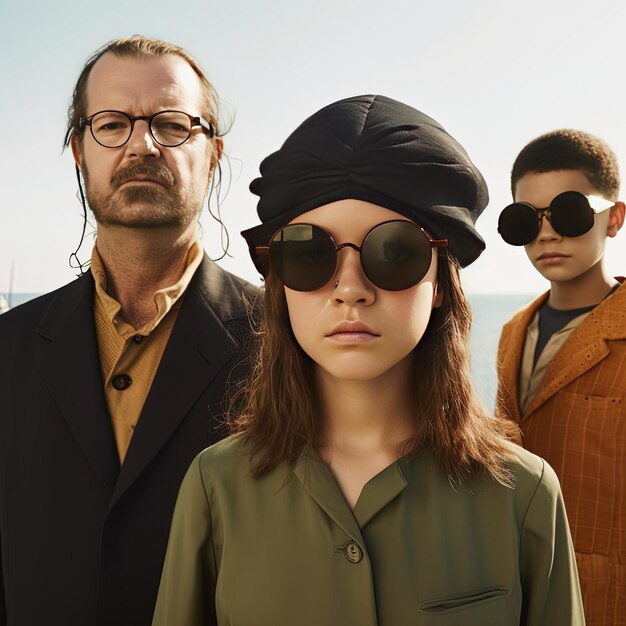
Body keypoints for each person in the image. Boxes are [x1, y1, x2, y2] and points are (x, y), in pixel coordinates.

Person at [152, 95, 584, 626]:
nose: (350, 289)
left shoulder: (523, 493)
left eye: (394, 251)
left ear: (441, 284)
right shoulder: (215, 486)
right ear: (280, 284)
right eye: (309, 254)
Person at [0, 36, 261, 626]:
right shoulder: (7, 348)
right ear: (78, 149)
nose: (142, 145)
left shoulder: (289, 342)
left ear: (214, 152)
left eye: (171, 125)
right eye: (112, 123)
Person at [495, 129, 626, 625]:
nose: (546, 234)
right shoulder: (512, 333)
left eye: (569, 212)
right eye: (525, 220)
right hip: (520, 595)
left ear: (614, 218)